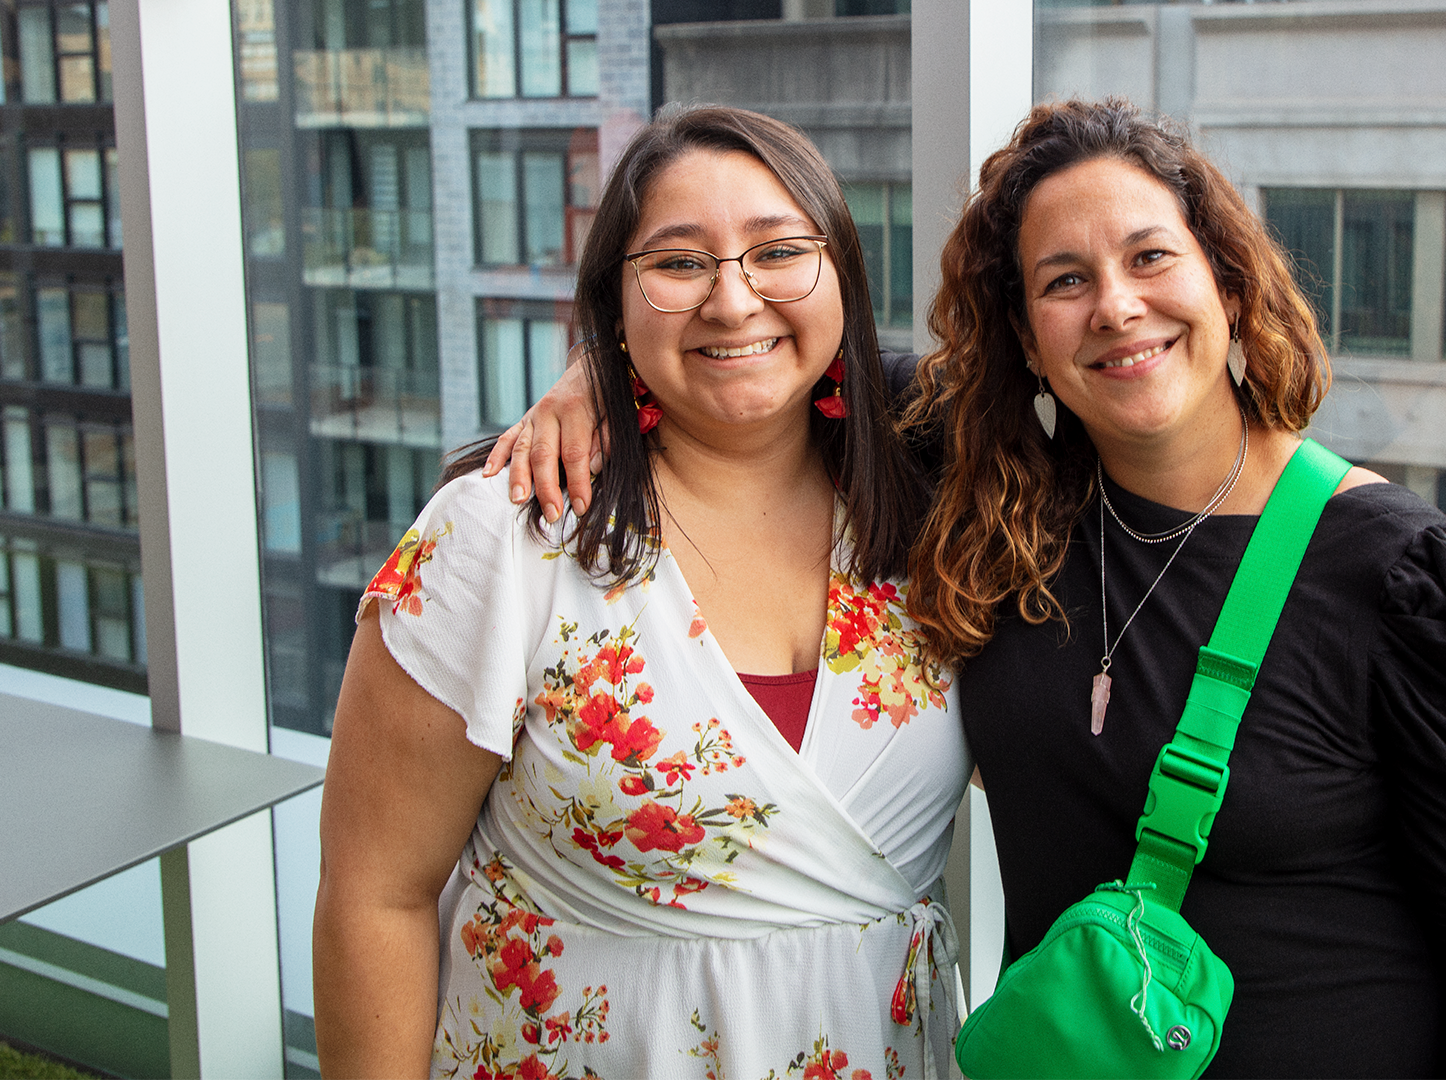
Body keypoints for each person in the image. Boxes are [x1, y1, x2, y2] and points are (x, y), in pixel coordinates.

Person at [497, 98, 1446, 1079]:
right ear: (1025, 334)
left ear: (1229, 287)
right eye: (1064, 280)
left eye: (1152, 258)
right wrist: (597, 368)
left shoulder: (1399, 578)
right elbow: (759, 354)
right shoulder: (996, 494)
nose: (1116, 308)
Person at [314, 106, 970, 1080]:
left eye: (779, 251)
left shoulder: (937, 512)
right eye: (678, 263)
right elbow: (375, 895)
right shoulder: (506, 535)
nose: (733, 300)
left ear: (844, 275)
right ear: (613, 301)